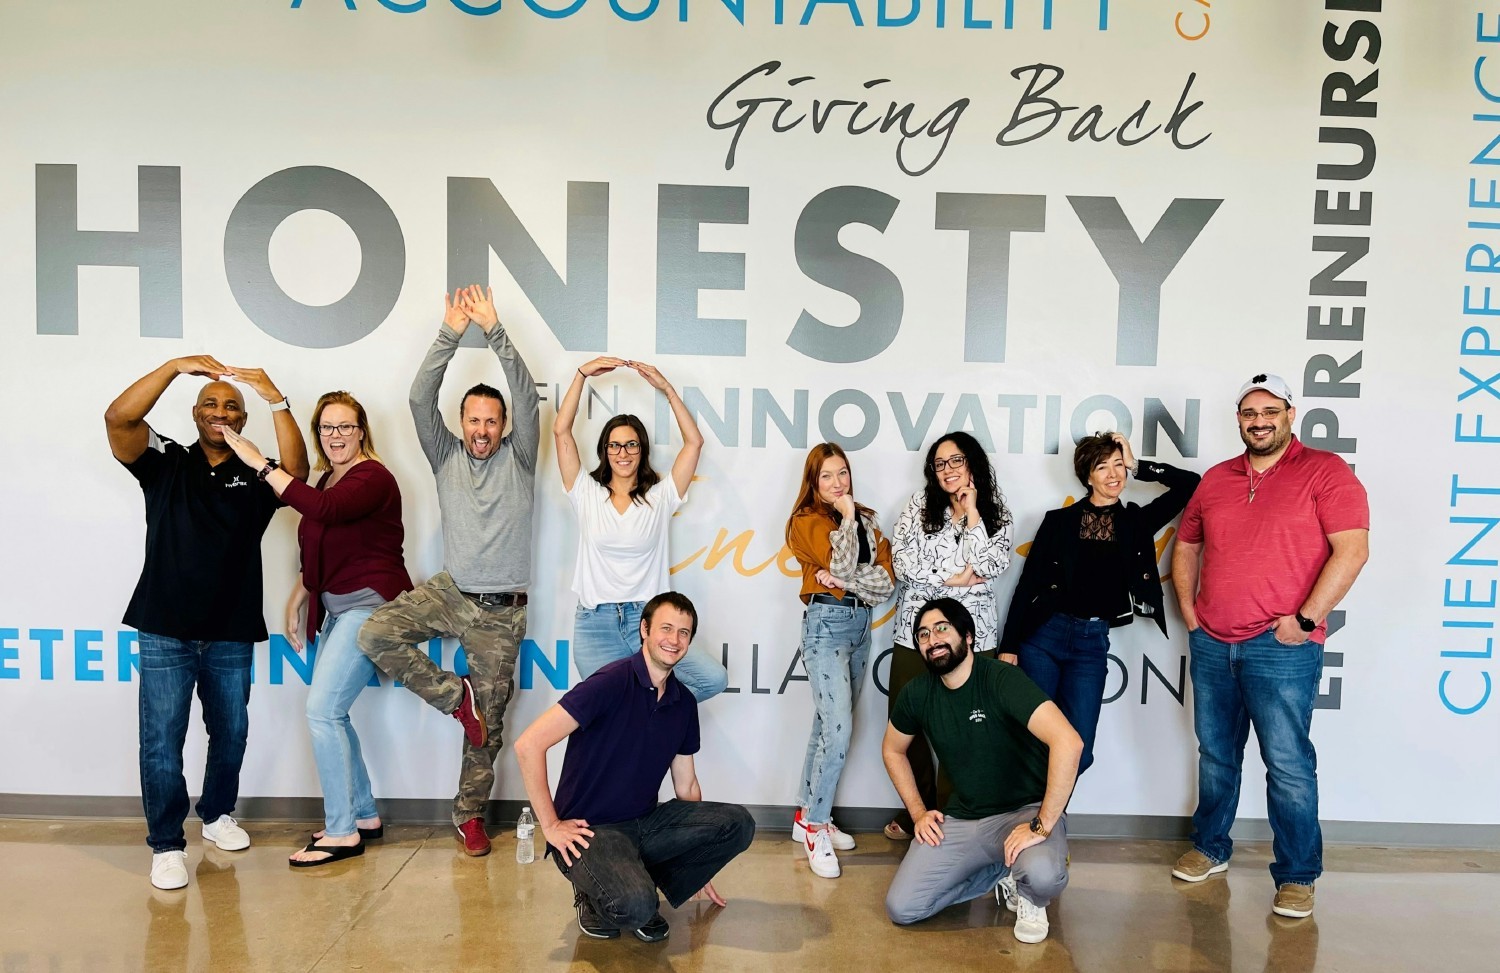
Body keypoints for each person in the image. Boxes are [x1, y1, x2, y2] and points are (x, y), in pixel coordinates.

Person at [104, 356, 310, 890]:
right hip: (164, 627)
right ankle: (167, 844)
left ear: (243, 419)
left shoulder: (259, 471)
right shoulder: (166, 461)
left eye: (232, 406)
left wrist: (276, 399)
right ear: (196, 413)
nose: (221, 411)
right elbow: (118, 420)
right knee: (161, 741)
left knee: (231, 732)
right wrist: (173, 368)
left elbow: (300, 473)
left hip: (230, 629)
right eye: (212, 404)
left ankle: (217, 815)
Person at [1170, 373, 1369, 920]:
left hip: (1281, 648)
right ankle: (1210, 847)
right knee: (1215, 755)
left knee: (1287, 764)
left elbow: (1351, 551)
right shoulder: (1215, 479)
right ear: (1238, 419)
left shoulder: (1326, 472)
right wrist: (1190, 611)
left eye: (1269, 411)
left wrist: (1304, 621)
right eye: (1248, 413)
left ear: (1290, 413)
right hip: (1213, 643)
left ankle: (1298, 875)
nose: (1259, 421)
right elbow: (1186, 546)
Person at [356, 285, 540, 858]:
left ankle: (469, 817)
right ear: (460, 423)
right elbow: (418, 398)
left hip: (501, 611)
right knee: (375, 632)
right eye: (473, 420)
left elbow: (530, 398)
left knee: (487, 726)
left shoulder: (521, 455)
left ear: (504, 424)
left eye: (491, 421)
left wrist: (496, 330)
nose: (482, 430)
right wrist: (451, 334)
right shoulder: (446, 454)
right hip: (451, 590)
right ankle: (450, 696)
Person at [219, 391, 413, 866]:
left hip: (370, 609)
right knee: (333, 715)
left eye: (345, 427)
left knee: (322, 712)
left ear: (361, 431)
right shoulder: (330, 477)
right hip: (339, 609)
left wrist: (260, 465)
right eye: (327, 428)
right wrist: (298, 596)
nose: (335, 436)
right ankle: (363, 813)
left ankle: (342, 831)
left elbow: (324, 512)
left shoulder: (373, 476)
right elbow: (320, 544)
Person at [513, 592, 755, 943]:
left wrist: (698, 863)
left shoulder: (683, 702)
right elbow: (528, 744)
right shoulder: (609, 682)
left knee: (739, 823)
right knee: (637, 908)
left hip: (645, 822)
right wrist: (549, 826)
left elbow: (686, 786)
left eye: (683, 633)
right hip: (591, 830)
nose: (674, 640)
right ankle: (594, 896)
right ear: (644, 629)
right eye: (666, 628)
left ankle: (633, 878)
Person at [883, 598, 1084, 944]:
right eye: (923, 634)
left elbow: (1069, 742)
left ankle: (1030, 895)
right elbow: (892, 750)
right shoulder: (917, 694)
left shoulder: (1001, 678)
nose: (932, 639)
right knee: (902, 908)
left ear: (969, 636)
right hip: (964, 819)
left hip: (1024, 813)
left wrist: (1042, 824)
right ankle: (1003, 873)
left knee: (1043, 877)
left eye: (942, 628)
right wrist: (918, 813)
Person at [999, 431, 1199, 774]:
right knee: (1035, 740)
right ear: (1087, 476)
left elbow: (1190, 484)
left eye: (1119, 465)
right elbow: (1027, 584)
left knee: (1079, 747)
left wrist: (1138, 465)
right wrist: (1010, 645)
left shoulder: (1136, 522)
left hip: (1090, 642)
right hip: (1042, 637)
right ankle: (1038, 825)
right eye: (1102, 466)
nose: (1114, 474)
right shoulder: (1058, 522)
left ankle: (1043, 821)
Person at [553, 357, 726, 702]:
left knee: (712, 678)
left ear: (642, 449)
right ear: (605, 450)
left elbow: (694, 443)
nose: (623, 453)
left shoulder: (661, 496)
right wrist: (581, 375)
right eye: (614, 445)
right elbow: (561, 431)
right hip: (595, 624)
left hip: (647, 621)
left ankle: (656, 712)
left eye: (631, 444)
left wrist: (666, 389)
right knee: (609, 713)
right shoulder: (585, 492)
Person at [884, 431, 1014, 841]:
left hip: (974, 635)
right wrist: (955, 582)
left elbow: (993, 564)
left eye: (956, 461)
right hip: (915, 635)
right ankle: (920, 811)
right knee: (911, 724)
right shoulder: (920, 506)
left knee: (971, 727)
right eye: (940, 463)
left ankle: (958, 815)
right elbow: (903, 563)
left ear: (972, 463)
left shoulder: (995, 512)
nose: (948, 470)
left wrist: (972, 514)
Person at [784, 442, 895, 878]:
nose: (837, 483)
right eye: (827, 476)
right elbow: (840, 559)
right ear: (813, 482)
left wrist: (846, 577)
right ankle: (816, 827)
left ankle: (806, 815)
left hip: (860, 625)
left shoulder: (868, 519)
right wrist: (847, 522)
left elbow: (885, 584)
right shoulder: (805, 521)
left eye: (843, 473)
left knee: (825, 725)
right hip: (825, 625)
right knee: (838, 728)